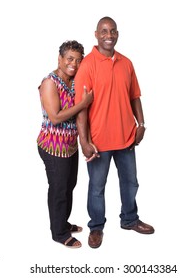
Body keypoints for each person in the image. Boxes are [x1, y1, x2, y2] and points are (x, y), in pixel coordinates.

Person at [74, 17, 154, 249]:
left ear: (117, 34)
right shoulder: (87, 65)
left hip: (126, 137)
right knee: (96, 187)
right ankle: (96, 226)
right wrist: (84, 141)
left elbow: (134, 96)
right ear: (96, 34)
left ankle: (129, 219)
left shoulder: (126, 63)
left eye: (113, 31)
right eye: (104, 31)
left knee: (130, 183)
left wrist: (141, 124)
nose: (109, 35)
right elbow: (81, 108)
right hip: (98, 141)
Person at [37, 40, 93, 248]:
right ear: (59, 59)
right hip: (52, 146)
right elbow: (56, 117)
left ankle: (63, 223)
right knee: (59, 189)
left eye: (79, 60)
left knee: (69, 186)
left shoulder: (73, 81)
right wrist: (83, 103)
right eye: (70, 59)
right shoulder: (50, 82)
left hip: (69, 146)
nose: (74, 64)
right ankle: (59, 233)